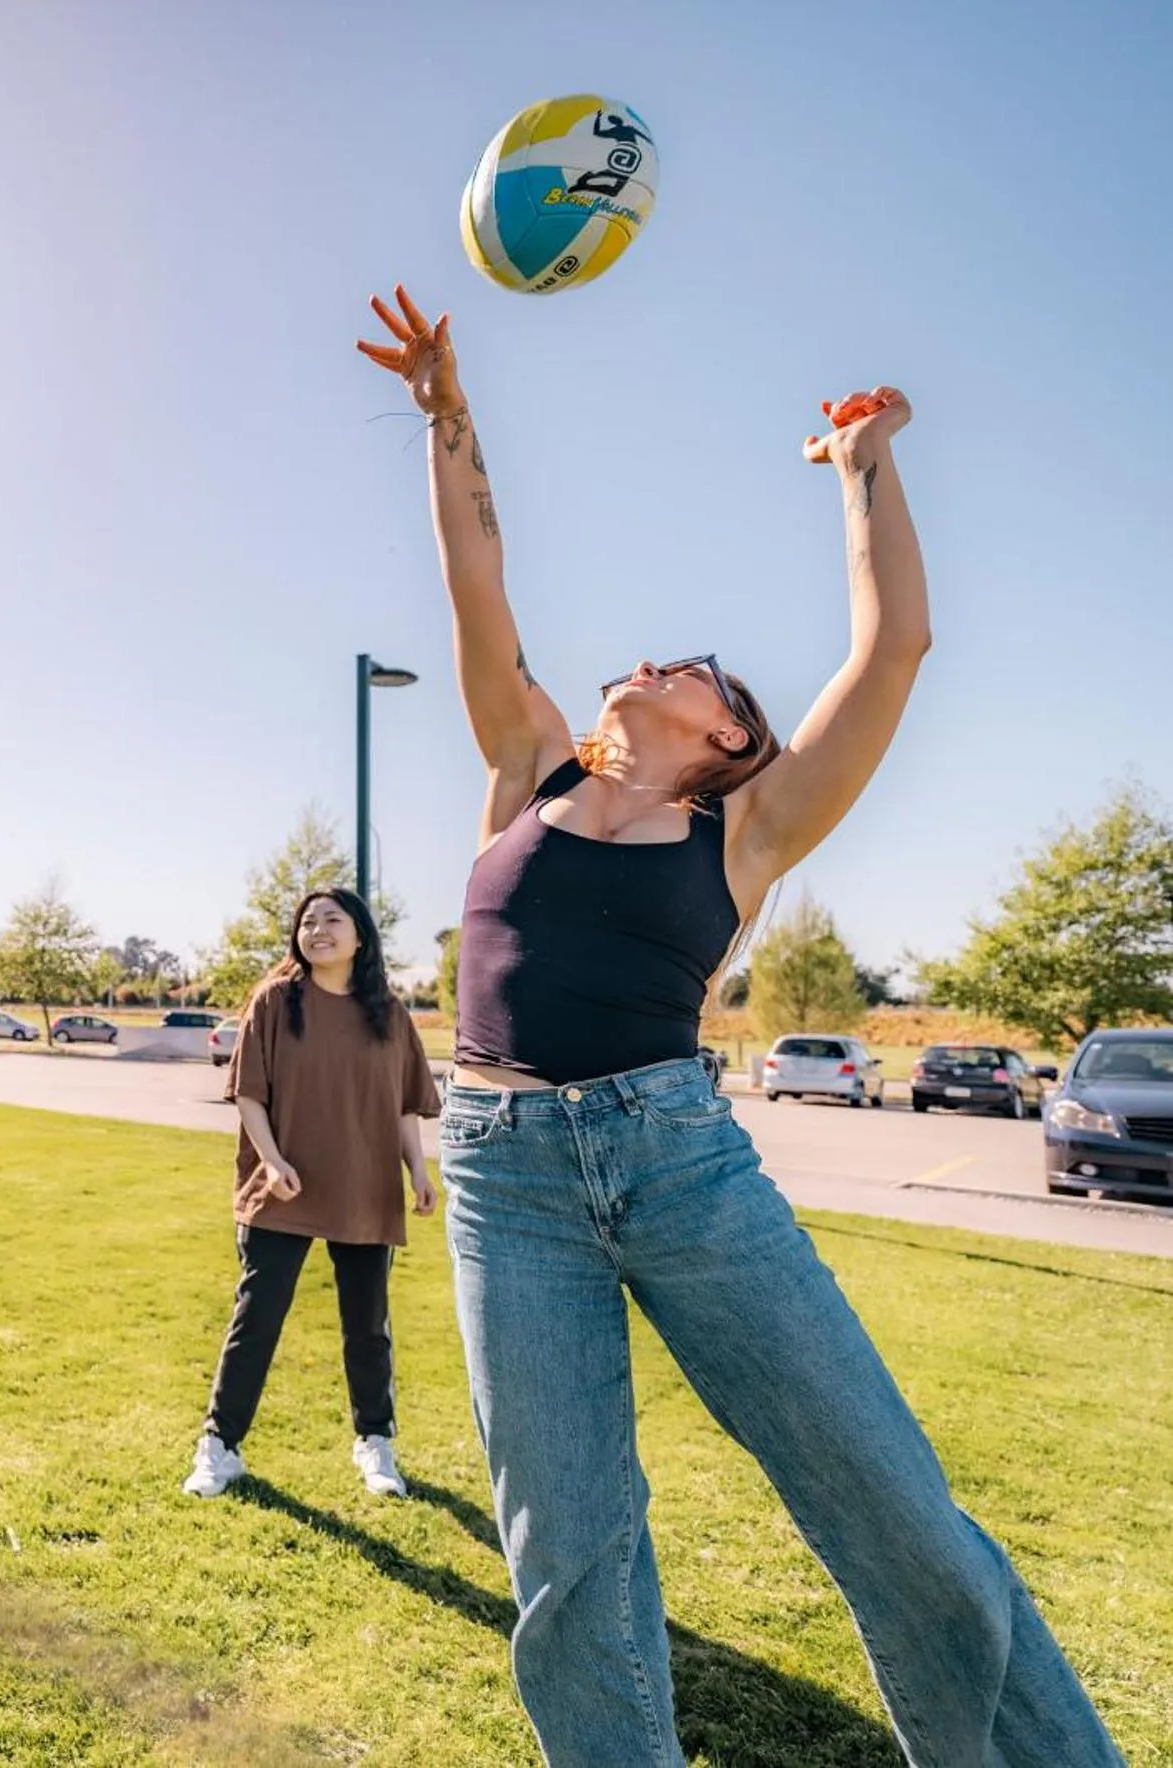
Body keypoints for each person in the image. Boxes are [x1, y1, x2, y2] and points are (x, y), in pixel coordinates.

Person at [355, 285, 1121, 1765]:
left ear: (730, 736)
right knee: (569, 1564)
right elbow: (476, 574)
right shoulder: (527, 762)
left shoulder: (748, 833)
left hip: (682, 1170)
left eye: (699, 667)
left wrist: (862, 465)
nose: (658, 658)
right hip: (506, 1187)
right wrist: (448, 409)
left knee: (892, 1511)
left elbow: (894, 646)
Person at [183, 888, 440, 1503]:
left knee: (367, 1326)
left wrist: (419, 1172)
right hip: (284, 1185)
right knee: (258, 1318)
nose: (317, 929)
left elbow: (405, 1105)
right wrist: (271, 1163)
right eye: (307, 921)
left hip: (364, 1186)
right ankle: (220, 1447)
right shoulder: (276, 1000)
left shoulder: (389, 1012)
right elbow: (248, 1093)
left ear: (360, 937)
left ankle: (375, 1442)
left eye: (332, 920)